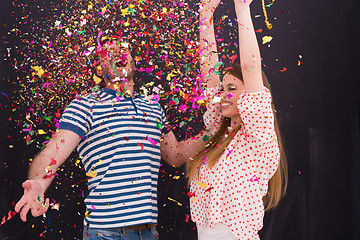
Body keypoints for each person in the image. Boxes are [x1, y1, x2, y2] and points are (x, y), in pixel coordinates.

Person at [14, 34, 206, 240]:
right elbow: (53, 152)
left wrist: (214, 132)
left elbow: (175, 155)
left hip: (148, 232)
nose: (118, 54)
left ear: (132, 60)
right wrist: (39, 183)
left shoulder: (152, 107)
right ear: (99, 68)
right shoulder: (86, 105)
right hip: (106, 233)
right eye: (109, 53)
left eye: (123, 50)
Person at [186, 0, 288, 239]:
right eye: (222, 89)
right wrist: (206, 14)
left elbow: (250, 67)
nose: (222, 95)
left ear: (250, 95)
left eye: (231, 88)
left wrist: (242, 7)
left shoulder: (258, 138)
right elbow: (209, 69)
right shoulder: (219, 130)